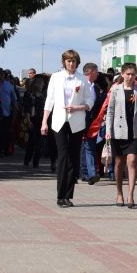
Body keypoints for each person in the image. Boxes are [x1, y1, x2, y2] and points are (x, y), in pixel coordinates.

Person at [41, 49, 94, 207]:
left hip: (77, 122)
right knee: (63, 156)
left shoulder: (82, 79)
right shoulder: (56, 78)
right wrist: (44, 121)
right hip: (59, 121)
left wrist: (79, 107)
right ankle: (60, 195)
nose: (71, 64)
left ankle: (68, 195)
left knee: (74, 157)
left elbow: (90, 100)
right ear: (64, 62)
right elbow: (49, 100)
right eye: (68, 61)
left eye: (74, 61)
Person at [105, 62, 137, 208]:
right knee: (118, 163)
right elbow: (110, 111)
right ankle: (119, 193)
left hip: (134, 131)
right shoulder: (115, 90)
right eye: (127, 74)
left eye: (132, 74)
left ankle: (131, 195)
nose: (130, 77)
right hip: (118, 131)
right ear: (122, 74)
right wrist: (108, 131)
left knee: (132, 161)